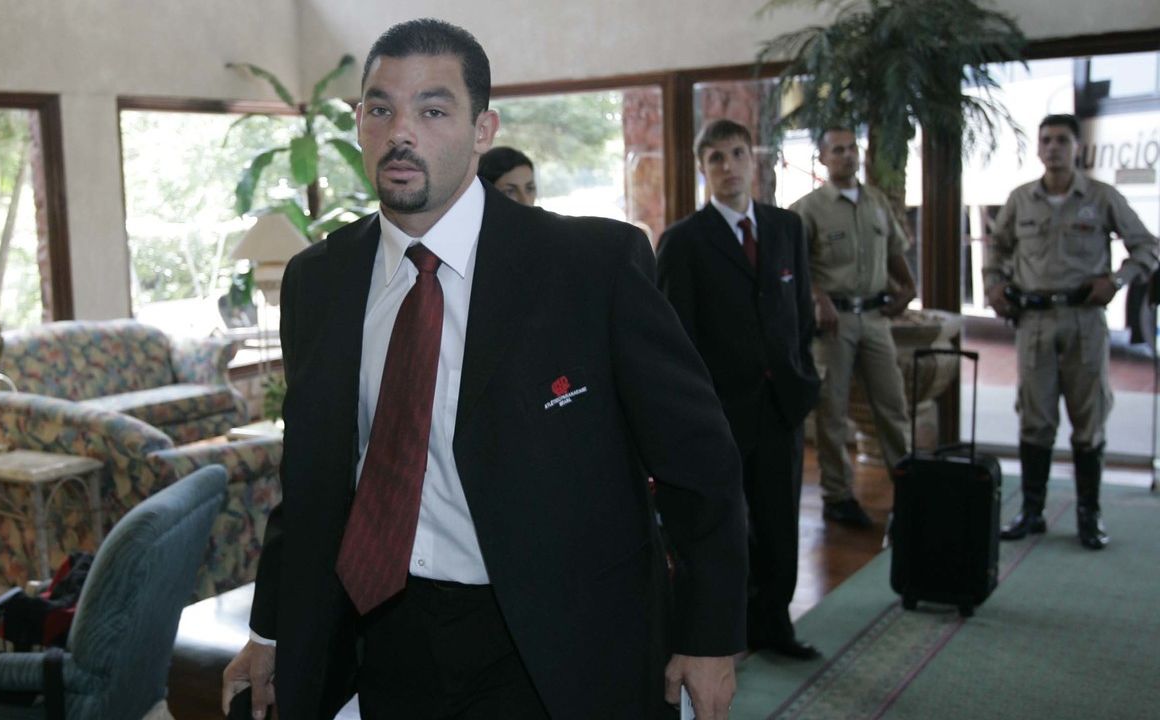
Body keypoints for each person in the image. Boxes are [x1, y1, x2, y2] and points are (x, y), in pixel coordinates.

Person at [221, 18, 747, 720]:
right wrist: (269, 630)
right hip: (389, 634)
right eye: (380, 109)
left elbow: (698, 461)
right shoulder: (318, 281)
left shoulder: (591, 267)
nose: (401, 133)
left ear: (482, 130)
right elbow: (312, 476)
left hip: (558, 640)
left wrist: (708, 637)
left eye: (433, 111)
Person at [658, 119, 821, 661]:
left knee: (779, 522)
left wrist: (802, 377)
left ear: (754, 160)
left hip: (780, 406)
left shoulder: (786, 227)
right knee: (724, 528)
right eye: (716, 159)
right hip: (720, 413)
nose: (728, 167)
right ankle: (728, 633)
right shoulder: (683, 241)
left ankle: (775, 624)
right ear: (702, 168)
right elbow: (675, 338)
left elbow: (800, 314)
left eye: (736, 154)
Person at [984, 113, 1158, 550]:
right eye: (1046, 140)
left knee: (1089, 419)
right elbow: (996, 247)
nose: (1053, 147)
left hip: (1084, 321)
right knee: (1035, 418)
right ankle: (1032, 511)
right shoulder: (1021, 199)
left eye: (1062, 140)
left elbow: (1147, 246)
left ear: (1077, 147)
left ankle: (1088, 515)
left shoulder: (1100, 197)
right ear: (1038, 148)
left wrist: (1116, 280)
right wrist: (994, 285)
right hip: (1034, 323)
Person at [789, 127, 916, 529]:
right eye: (838, 150)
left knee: (893, 406)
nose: (847, 155)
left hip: (876, 319)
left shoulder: (876, 202)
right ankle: (838, 495)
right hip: (834, 323)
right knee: (832, 411)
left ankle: (910, 492)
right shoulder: (807, 209)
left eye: (852, 148)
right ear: (823, 159)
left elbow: (894, 250)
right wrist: (817, 298)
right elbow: (792, 267)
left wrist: (908, 288)